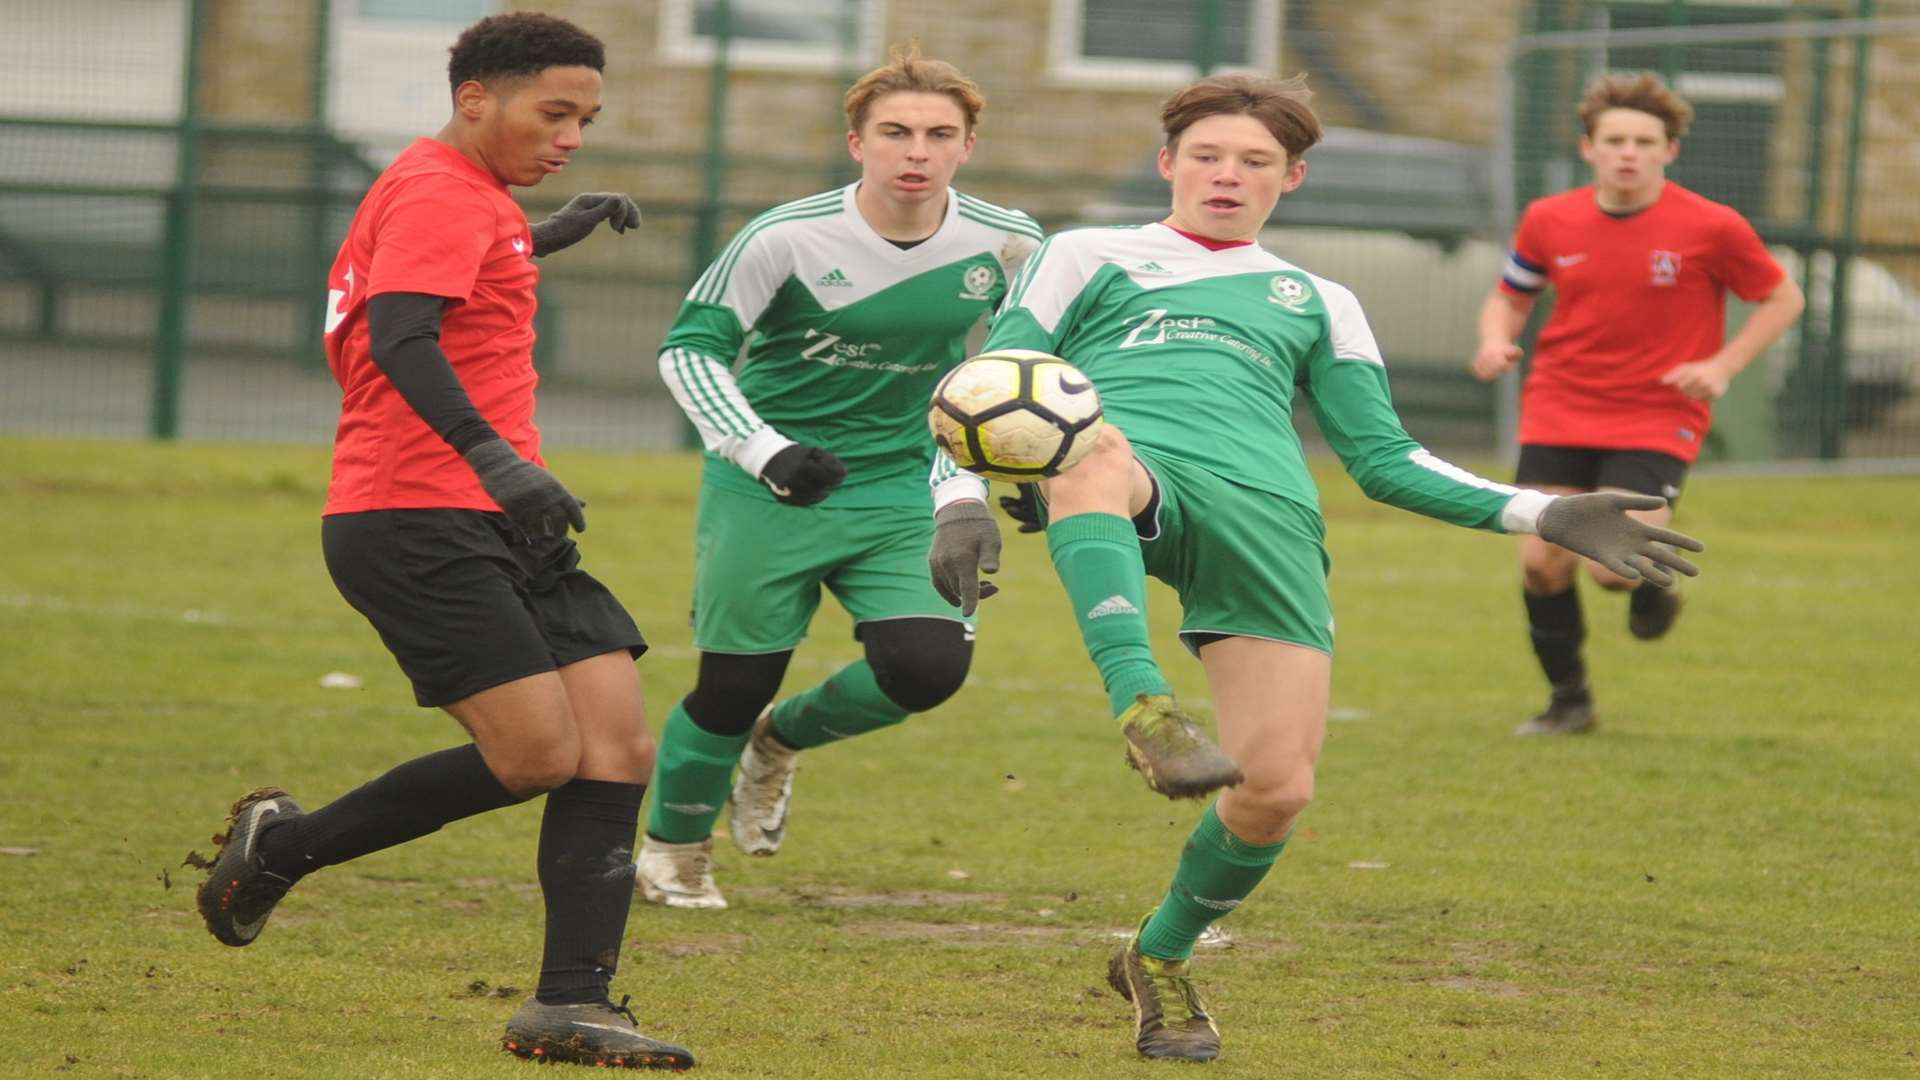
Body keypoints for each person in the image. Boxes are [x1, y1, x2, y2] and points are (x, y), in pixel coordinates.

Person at [925, 73, 1703, 1063]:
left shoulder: (1320, 298)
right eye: (1206, 155)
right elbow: (987, 389)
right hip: (1133, 472)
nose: (1225, 176)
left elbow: (1385, 461)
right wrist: (954, 502)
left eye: (1253, 162)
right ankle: (1146, 710)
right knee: (1089, 451)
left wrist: (1544, 509)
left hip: (1267, 518)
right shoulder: (1085, 253)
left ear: (1290, 179)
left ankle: (1159, 958)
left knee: (1276, 789)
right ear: (1168, 163)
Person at [192, 14, 693, 1070]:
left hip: (499, 515)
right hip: (412, 512)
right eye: (554, 113)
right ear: (476, 98)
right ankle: (280, 851)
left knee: (616, 747)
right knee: (537, 755)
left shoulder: (471, 197)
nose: (572, 136)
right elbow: (400, 335)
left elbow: (464, 274)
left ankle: (569, 1006)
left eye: (587, 121)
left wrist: (544, 231)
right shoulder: (434, 189)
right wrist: (496, 457)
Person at [639, 45, 1040, 909]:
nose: (916, 152)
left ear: (968, 146)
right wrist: (764, 450)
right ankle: (673, 851)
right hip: (771, 483)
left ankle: (777, 743)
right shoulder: (785, 235)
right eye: (894, 132)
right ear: (855, 141)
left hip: (902, 485)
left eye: (940, 134)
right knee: (733, 682)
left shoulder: (1010, 243)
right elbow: (690, 351)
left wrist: (996, 476)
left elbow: (1008, 378)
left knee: (929, 667)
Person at [1469, 72, 1803, 736]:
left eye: (1645, 141)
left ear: (1669, 151)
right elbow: (1512, 293)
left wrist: (1722, 365)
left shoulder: (1711, 225)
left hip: (1658, 410)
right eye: (1615, 139)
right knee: (1540, 559)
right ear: (1588, 146)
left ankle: (1653, 585)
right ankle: (1569, 701)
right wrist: (1494, 338)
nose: (1629, 152)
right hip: (1561, 402)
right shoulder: (1549, 218)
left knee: (1614, 570)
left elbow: (1782, 297)